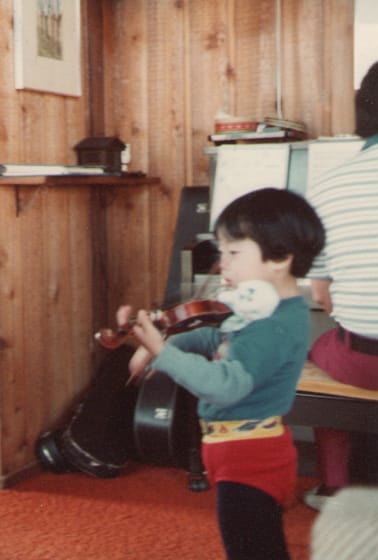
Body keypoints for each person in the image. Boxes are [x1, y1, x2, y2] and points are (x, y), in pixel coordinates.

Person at [118, 187, 325, 560]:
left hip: (251, 460)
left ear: (280, 257)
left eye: (233, 252)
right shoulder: (264, 312)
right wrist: (163, 347)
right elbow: (216, 337)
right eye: (221, 251)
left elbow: (226, 386)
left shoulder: (273, 326)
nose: (221, 263)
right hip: (240, 451)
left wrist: (162, 352)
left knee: (251, 551)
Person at [303, 58, 378, 510]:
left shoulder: (327, 185)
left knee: (321, 347)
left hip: (364, 361)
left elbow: (320, 295)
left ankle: (334, 485)